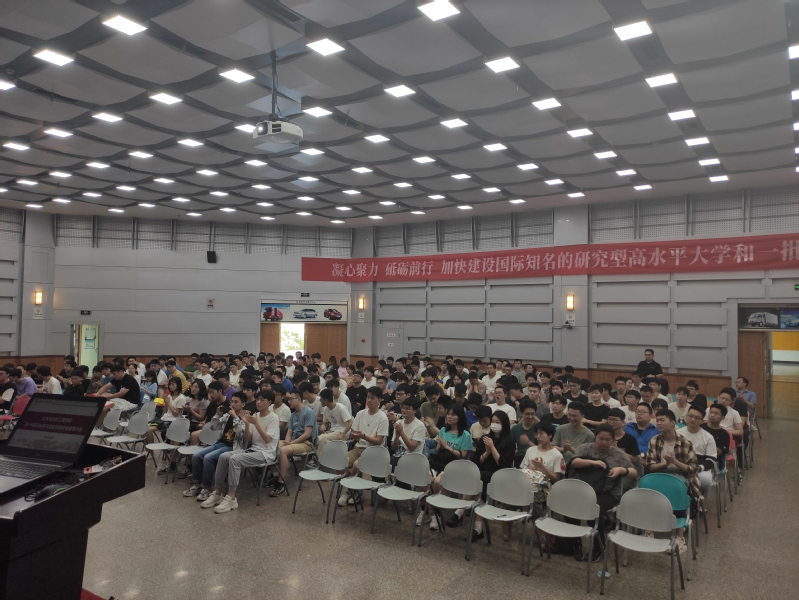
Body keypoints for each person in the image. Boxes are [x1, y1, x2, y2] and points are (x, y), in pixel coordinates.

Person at [200, 389, 280, 513]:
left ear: (269, 402)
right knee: (223, 456)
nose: (258, 402)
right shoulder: (255, 416)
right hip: (253, 450)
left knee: (234, 459)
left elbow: (267, 439)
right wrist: (247, 424)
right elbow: (247, 439)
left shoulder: (273, 417)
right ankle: (217, 492)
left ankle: (231, 497)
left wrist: (255, 423)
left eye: (262, 400)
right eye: (257, 400)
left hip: (266, 453)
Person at [570, 424, 636, 561]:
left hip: (608, 492)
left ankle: (598, 546)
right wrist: (592, 463)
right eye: (601, 439)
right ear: (595, 437)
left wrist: (621, 470)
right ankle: (575, 543)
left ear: (613, 441)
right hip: (585, 489)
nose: (604, 442)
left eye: (608, 440)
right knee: (572, 505)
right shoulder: (586, 448)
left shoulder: (619, 454)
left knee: (594, 508)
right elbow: (574, 462)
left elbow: (634, 472)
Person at [645, 409, 700, 555]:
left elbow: (693, 469)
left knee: (676, 489)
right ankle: (649, 528)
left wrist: (674, 462)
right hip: (659, 473)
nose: (659, 423)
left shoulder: (685, 443)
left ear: (673, 423)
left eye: (662, 420)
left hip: (680, 475)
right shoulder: (654, 440)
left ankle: (679, 537)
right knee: (647, 486)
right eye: (657, 420)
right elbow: (650, 466)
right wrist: (665, 463)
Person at [183, 392, 246, 502]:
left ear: (243, 404)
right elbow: (213, 427)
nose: (233, 404)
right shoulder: (227, 416)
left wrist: (235, 417)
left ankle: (206, 488)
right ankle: (197, 484)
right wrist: (217, 415)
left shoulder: (245, 418)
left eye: (236, 402)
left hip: (233, 447)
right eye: (232, 401)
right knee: (196, 455)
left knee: (208, 458)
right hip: (220, 443)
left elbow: (240, 432)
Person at [467, 411, 516, 542]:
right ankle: (478, 528)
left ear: (504, 424)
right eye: (493, 421)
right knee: (476, 482)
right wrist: (487, 452)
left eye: (497, 422)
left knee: (475, 481)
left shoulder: (510, 442)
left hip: (499, 476)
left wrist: (492, 448)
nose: (494, 424)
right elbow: (476, 461)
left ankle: (460, 512)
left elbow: (504, 465)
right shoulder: (485, 438)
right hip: (482, 474)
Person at [424, 405, 474, 530]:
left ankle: (437, 515)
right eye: (449, 414)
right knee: (424, 478)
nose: (449, 417)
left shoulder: (465, 435)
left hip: (455, 466)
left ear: (460, 417)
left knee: (437, 482)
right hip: (440, 462)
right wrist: (439, 447)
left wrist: (447, 447)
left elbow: (463, 456)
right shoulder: (443, 430)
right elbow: (437, 451)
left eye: (453, 414)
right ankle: (425, 511)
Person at [337, 388, 389, 506]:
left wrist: (363, 436)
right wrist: (354, 435)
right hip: (358, 447)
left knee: (356, 465)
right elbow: (354, 434)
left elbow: (379, 441)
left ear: (379, 400)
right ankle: (355, 490)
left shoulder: (382, 417)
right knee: (339, 463)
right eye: (368, 397)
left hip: (374, 451)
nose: (369, 400)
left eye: (372, 398)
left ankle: (350, 491)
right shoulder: (361, 414)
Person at [271, 389, 318, 497]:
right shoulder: (293, 415)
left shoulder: (308, 412)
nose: (289, 401)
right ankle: (274, 474)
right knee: (271, 444)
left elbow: (307, 433)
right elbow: (289, 432)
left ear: (299, 399)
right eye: (289, 399)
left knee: (283, 450)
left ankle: (281, 482)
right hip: (294, 441)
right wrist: (287, 441)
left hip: (307, 443)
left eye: (291, 399)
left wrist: (292, 443)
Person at [519, 421, 565, 518]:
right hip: (527, 483)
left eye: (541, 433)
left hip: (545, 487)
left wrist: (541, 466)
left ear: (550, 435)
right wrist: (533, 468)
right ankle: (506, 519)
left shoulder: (556, 455)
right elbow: (523, 470)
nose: (538, 437)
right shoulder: (531, 450)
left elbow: (556, 479)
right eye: (537, 434)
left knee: (533, 495)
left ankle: (540, 520)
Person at [678, 405, 718, 499]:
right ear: (686, 416)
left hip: (699, 468)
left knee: (706, 480)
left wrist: (699, 468)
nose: (693, 419)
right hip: (680, 465)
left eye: (697, 418)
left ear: (702, 421)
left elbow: (711, 459)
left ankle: (699, 500)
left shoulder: (708, 437)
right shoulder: (677, 433)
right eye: (690, 416)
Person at [316, 388, 353, 452]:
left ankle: (319, 456)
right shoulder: (326, 409)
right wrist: (323, 426)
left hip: (342, 431)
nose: (320, 401)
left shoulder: (341, 408)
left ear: (326, 400)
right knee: (318, 438)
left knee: (323, 438)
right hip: (332, 430)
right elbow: (325, 422)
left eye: (321, 399)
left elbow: (350, 422)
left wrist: (343, 434)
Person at [511, 400, 538, 467]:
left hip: (536, 458)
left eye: (532, 414)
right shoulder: (515, 429)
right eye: (527, 414)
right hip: (519, 458)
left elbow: (543, 450)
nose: (530, 417)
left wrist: (528, 442)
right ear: (521, 413)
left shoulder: (539, 429)